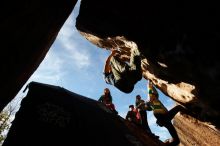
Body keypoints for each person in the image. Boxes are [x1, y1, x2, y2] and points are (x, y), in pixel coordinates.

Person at [146, 80, 186, 146]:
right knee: (179, 107)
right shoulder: (152, 100)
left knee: (177, 141)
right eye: (153, 95)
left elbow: (156, 93)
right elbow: (150, 91)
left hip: (166, 120)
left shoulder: (156, 100)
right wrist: (149, 83)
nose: (155, 95)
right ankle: (194, 113)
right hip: (162, 118)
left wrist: (153, 87)